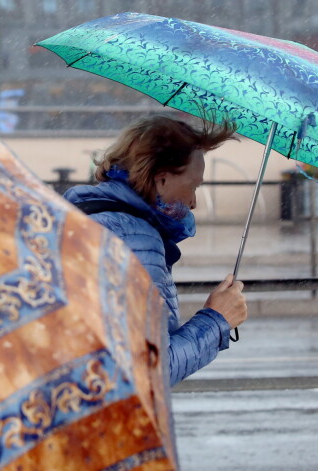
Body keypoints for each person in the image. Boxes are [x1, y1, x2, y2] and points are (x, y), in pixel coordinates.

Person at [64, 115, 248, 386]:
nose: (193, 201)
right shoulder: (134, 239)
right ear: (161, 179)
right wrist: (217, 319)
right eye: (193, 185)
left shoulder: (82, 217)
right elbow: (148, 372)